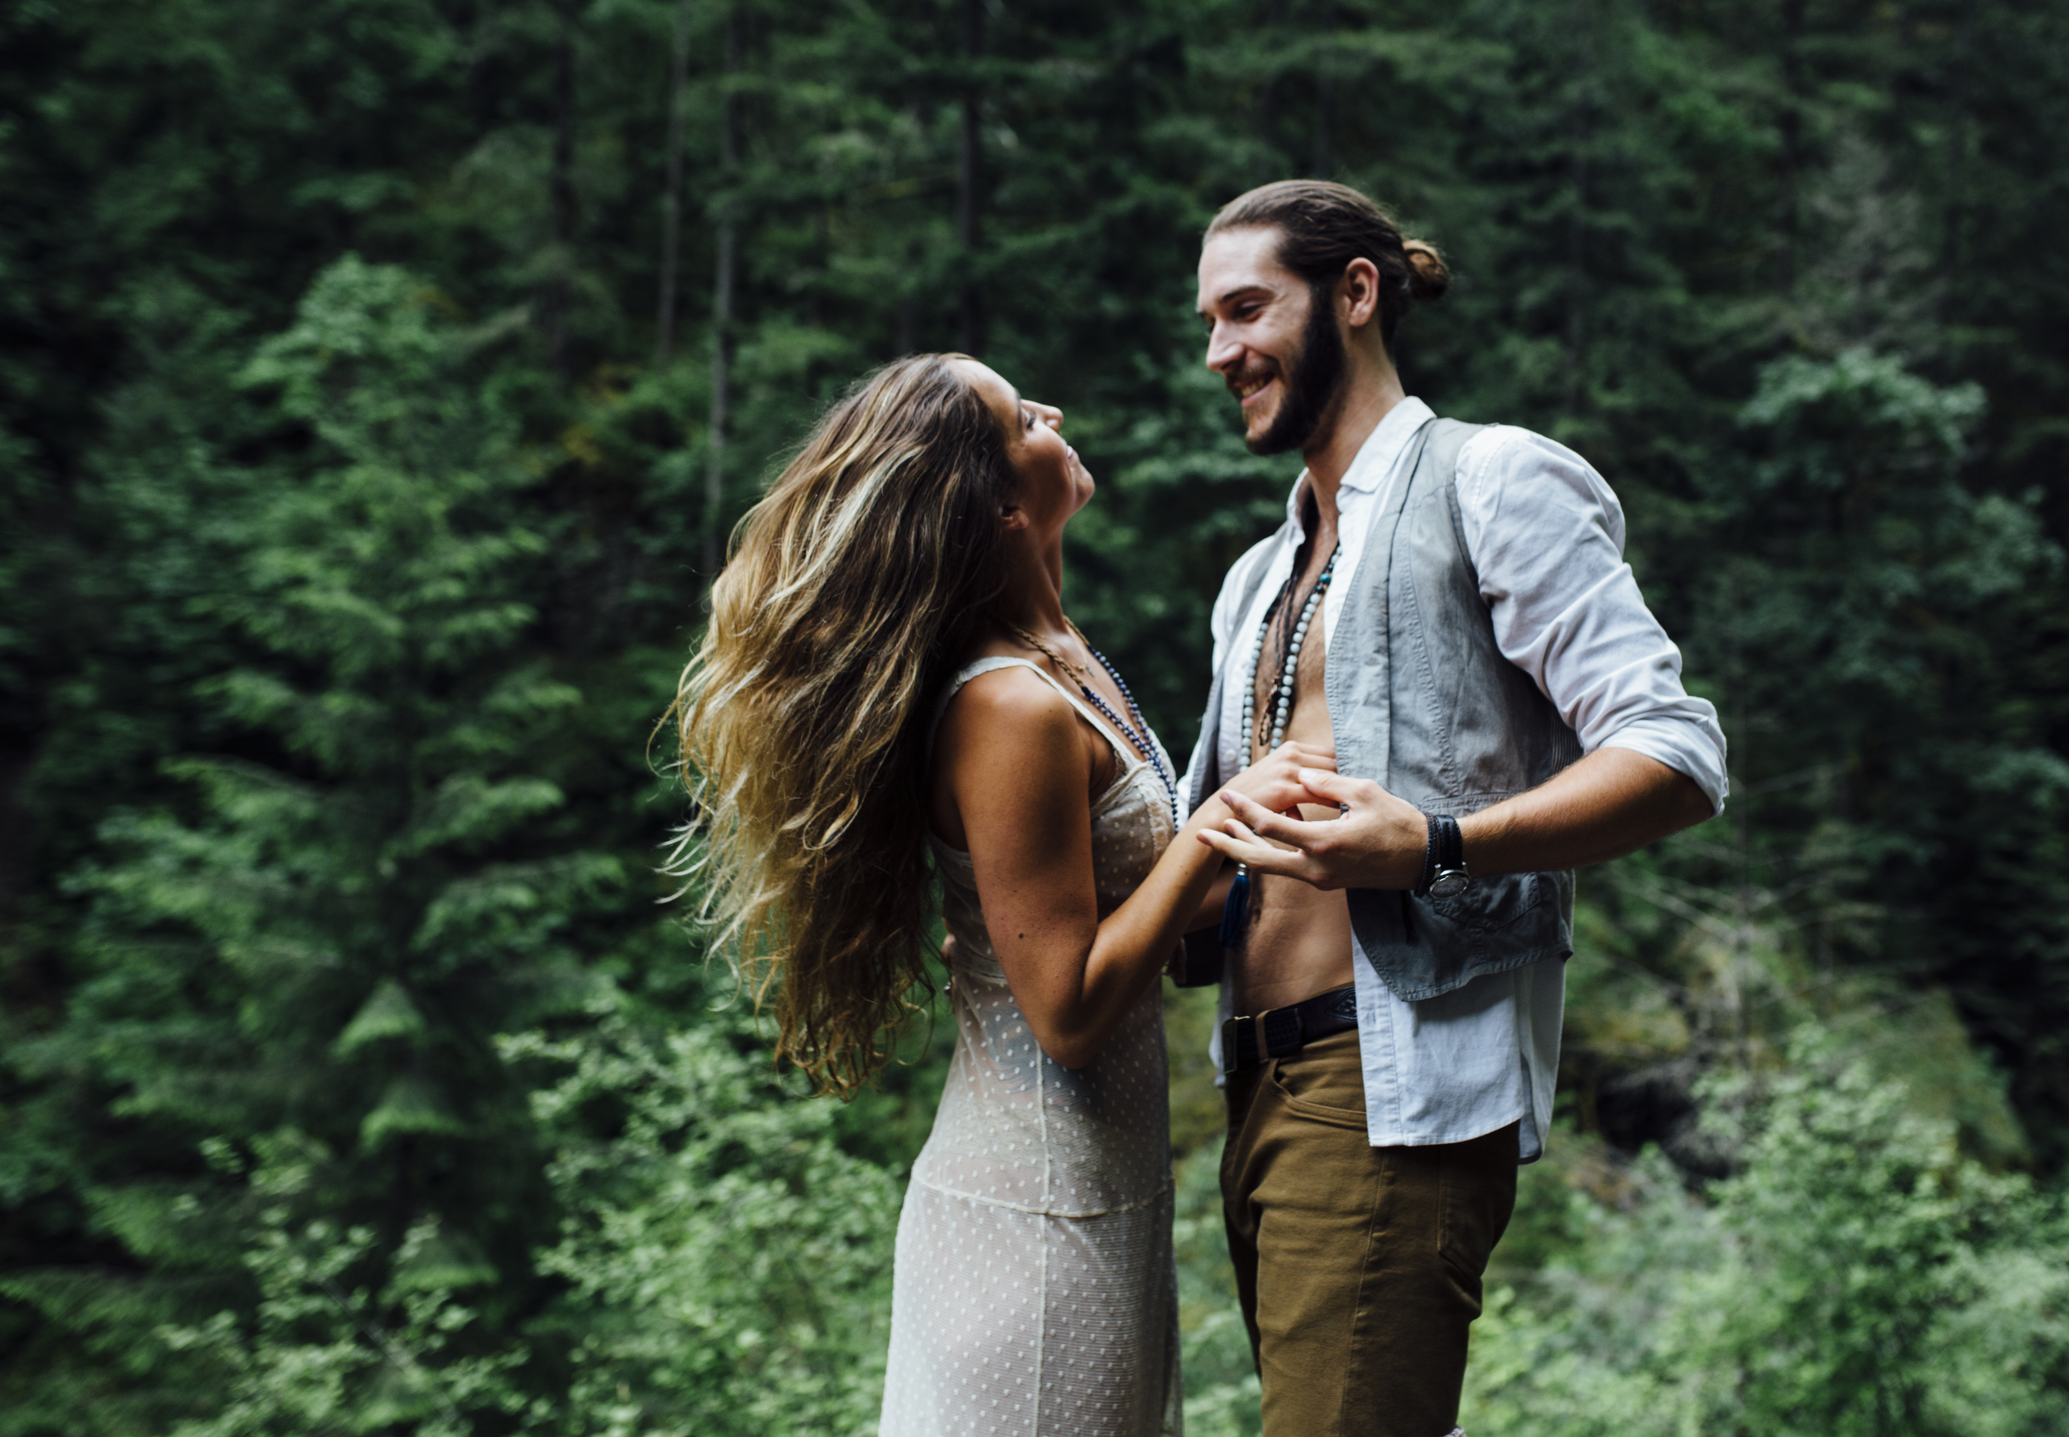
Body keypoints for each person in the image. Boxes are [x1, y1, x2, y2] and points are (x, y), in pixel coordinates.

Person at [671, 353, 1323, 1437]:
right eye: (1024, 414)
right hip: (1031, 1218)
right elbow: (1064, 1010)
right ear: (1001, 503)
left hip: (1096, 1202)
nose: (1055, 412)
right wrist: (1211, 830)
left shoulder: (1064, 655)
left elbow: (1135, 917)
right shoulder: (1007, 705)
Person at [1184, 182, 1731, 1437]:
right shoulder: (1256, 576)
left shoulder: (1491, 476)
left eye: (1249, 308)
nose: (1222, 351)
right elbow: (1212, 848)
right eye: (1209, 322)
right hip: (1251, 1085)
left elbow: (1675, 747)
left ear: (1357, 293)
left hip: (1391, 1087)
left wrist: (1437, 842)